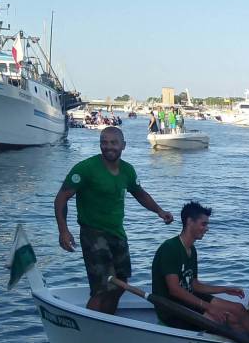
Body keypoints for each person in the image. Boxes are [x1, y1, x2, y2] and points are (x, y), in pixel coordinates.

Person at [54, 126, 174, 313]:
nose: (108, 146)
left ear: (123, 145)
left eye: (113, 142)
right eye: (104, 142)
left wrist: (159, 211)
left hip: (117, 233)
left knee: (120, 284)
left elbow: (140, 194)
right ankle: (89, 330)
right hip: (93, 233)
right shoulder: (86, 169)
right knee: (103, 288)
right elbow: (61, 198)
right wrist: (63, 230)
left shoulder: (128, 171)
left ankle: (107, 321)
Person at [151, 202, 249, 338]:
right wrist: (208, 307)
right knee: (223, 320)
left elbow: (194, 285)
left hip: (188, 298)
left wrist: (225, 289)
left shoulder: (192, 250)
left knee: (238, 309)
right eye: (203, 224)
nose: (207, 229)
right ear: (189, 222)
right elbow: (174, 290)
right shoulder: (170, 248)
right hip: (172, 306)